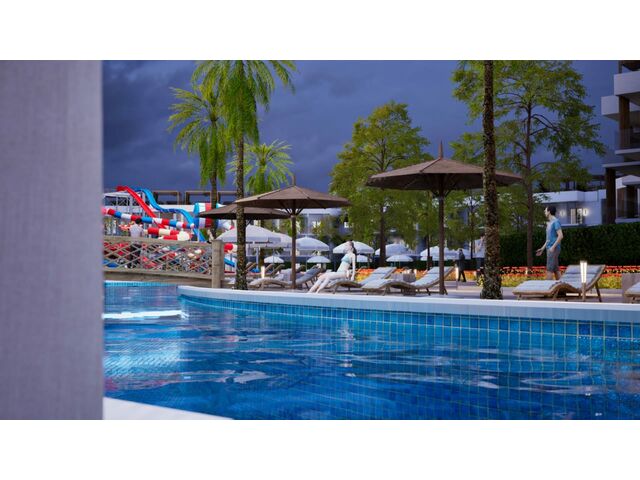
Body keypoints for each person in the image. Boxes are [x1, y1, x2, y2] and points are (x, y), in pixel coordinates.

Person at [536, 206, 564, 280]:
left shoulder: (556, 222)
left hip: (553, 249)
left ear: (549, 212)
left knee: (549, 269)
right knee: (556, 269)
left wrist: (553, 247)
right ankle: (561, 287)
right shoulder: (549, 223)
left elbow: (560, 236)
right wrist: (542, 249)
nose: (544, 212)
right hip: (550, 248)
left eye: (545, 210)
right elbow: (548, 239)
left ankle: (548, 287)